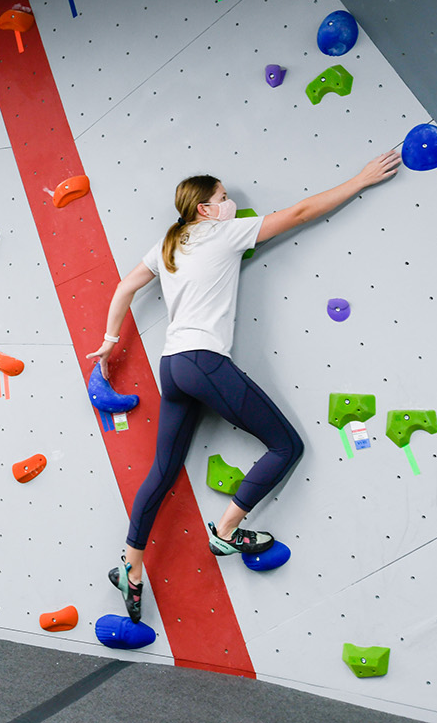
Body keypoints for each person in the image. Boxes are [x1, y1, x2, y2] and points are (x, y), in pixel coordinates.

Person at [88, 150, 401, 622]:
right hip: (204, 361)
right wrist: (359, 180)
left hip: (172, 366)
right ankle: (227, 530)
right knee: (286, 444)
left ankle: (130, 564)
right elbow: (298, 213)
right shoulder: (222, 233)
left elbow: (125, 287)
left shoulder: (167, 245)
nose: (231, 203)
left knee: (163, 470)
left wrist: (110, 342)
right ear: (206, 209)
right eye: (224, 197)